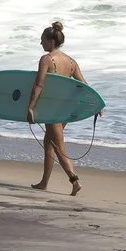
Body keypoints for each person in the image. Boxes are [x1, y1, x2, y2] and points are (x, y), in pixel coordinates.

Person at [26, 19, 84, 195]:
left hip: (52, 110)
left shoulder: (47, 59)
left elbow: (39, 85)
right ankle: (44, 182)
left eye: (42, 39)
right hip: (64, 110)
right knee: (49, 143)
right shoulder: (71, 62)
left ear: (51, 41)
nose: (41, 42)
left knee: (58, 146)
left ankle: (74, 181)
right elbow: (84, 86)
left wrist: (31, 107)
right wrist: (96, 106)